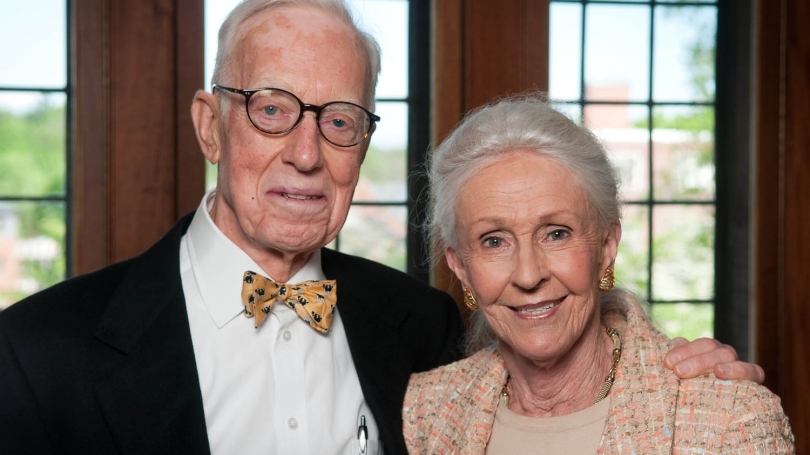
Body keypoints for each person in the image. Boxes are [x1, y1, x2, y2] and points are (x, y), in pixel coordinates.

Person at [0, 2, 765, 455]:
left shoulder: (421, 333)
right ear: (211, 126)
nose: (305, 153)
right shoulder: (37, 356)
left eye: (338, 120)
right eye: (271, 108)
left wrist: (687, 372)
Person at [402, 93, 794, 454]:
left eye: (556, 233)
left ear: (606, 246)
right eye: (493, 241)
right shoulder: (423, 412)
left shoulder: (728, 420)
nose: (527, 274)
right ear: (460, 267)